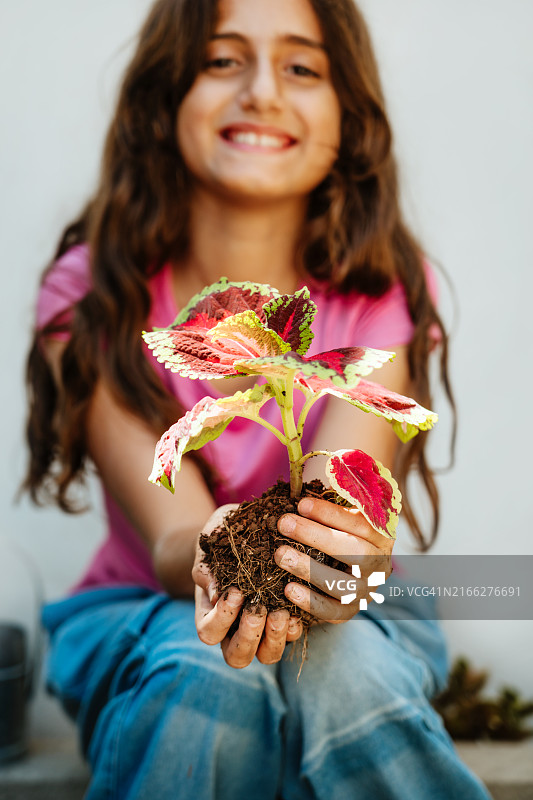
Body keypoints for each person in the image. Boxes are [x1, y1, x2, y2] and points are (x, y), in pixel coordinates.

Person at [24, 0, 492, 798]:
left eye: (302, 67)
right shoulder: (93, 297)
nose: (263, 93)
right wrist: (226, 560)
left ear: (348, 113)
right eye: (221, 60)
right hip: (145, 607)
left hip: (353, 606)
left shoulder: (379, 295)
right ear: (165, 94)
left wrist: (338, 560)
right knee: (201, 670)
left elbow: (345, 501)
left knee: (348, 668)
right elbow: (177, 532)